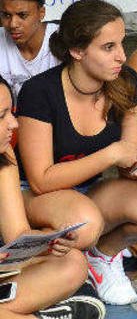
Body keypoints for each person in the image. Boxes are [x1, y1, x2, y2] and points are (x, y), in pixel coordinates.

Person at [16, 0, 137, 306]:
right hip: (35, 196)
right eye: (108, 47)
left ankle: (103, 256)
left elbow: (128, 161)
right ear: (77, 51)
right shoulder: (40, 92)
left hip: (89, 193)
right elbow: (41, 180)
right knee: (84, 224)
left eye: (121, 43)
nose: (121, 56)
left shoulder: (127, 81)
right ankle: (45, 271)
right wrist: (111, 154)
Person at [0, 77, 107, 319]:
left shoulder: (4, 156)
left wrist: (48, 243)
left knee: (73, 261)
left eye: (12, 113)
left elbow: (17, 234)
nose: (14, 124)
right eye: (2, 116)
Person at [0, 0, 57, 103]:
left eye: (22, 15)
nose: (13, 24)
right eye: (6, 15)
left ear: (41, 13)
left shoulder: (63, 40)